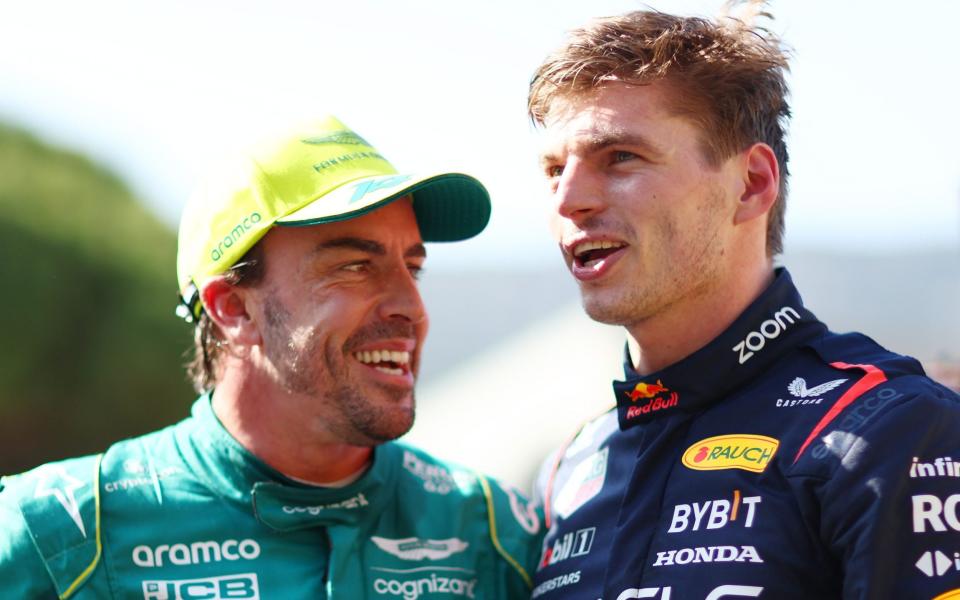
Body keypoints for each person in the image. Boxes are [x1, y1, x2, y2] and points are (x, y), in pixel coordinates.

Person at [0, 116, 540, 599]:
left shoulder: (493, 532)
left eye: (412, 267)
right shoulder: (57, 531)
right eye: (354, 266)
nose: (411, 306)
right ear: (234, 308)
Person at [526, 6, 960, 600]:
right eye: (553, 169)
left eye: (620, 157)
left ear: (752, 184)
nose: (569, 199)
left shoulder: (893, 432)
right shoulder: (568, 471)